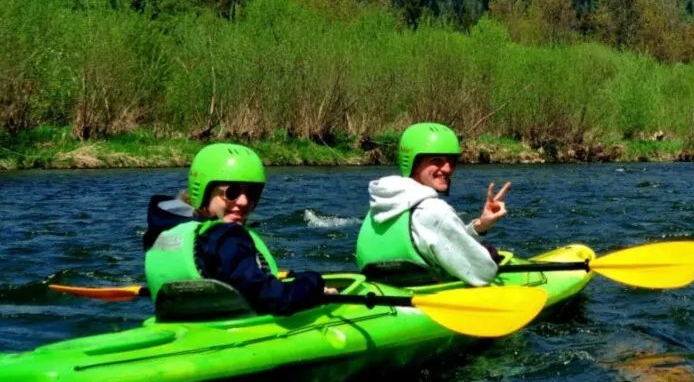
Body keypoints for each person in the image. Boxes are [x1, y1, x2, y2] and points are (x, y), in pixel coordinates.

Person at [143, 142, 336, 315]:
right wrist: (312, 283)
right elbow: (274, 300)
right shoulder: (226, 238)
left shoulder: (163, 230)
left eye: (251, 193)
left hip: (180, 328)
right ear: (203, 190)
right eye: (232, 192)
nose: (243, 202)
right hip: (232, 334)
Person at [355, 122, 510, 287]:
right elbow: (483, 273)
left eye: (451, 161)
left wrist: (480, 225)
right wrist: (489, 257)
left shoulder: (381, 205)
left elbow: (432, 242)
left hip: (382, 293)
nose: (447, 168)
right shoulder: (435, 210)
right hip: (425, 300)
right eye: (436, 160)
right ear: (413, 163)